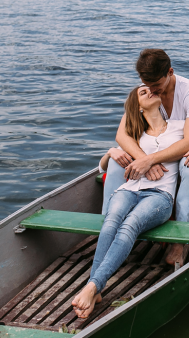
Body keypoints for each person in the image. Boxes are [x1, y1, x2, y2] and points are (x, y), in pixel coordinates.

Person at [72, 85, 181, 318]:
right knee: (112, 220)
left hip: (159, 196)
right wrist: (111, 151)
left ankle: (93, 285)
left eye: (151, 89)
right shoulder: (135, 135)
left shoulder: (179, 129)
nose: (149, 91)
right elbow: (102, 166)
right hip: (128, 189)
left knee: (130, 224)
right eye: (143, 93)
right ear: (138, 107)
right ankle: (96, 288)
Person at [102, 48, 189, 265]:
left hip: (186, 151)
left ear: (170, 72)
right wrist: (144, 159)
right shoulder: (146, 93)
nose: (152, 91)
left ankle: (180, 242)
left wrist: (150, 160)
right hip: (153, 149)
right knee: (116, 162)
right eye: (147, 85)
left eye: (156, 87)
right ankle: (106, 228)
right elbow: (122, 135)